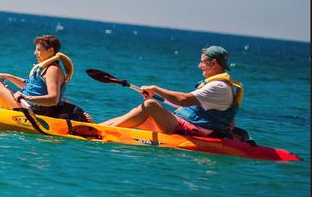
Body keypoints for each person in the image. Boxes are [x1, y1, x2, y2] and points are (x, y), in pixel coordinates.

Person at [100, 46, 243, 137]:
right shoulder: (218, 85)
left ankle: (101, 131)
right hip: (191, 125)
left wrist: (155, 89)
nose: (199, 66)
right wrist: (156, 95)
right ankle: (98, 127)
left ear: (213, 63)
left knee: (150, 105)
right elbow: (182, 105)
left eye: (203, 62)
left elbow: (183, 100)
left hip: (197, 130)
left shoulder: (218, 87)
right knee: (139, 113)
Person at [0, 34, 93, 122]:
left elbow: (53, 99)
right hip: (24, 104)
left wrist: (26, 97)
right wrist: (8, 76)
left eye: (39, 50)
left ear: (51, 51)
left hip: (30, 111)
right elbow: (28, 86)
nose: (35, 53)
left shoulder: (53, 70)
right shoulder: (43, 67)